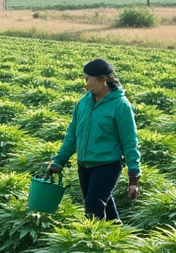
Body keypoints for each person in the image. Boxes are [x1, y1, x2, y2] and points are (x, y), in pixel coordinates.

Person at [47, 58, 141, 221]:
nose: (85, 83)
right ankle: (116, 232)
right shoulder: (83, 103)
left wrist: (133, 176)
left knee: (92, 207)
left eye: (88, 79)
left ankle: (92, 243)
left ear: (103, 80)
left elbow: (129, 140)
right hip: (84, 164)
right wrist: (59, 161)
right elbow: (72, 135)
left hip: (107, 165)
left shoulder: (120, 105)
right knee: (102, 200)